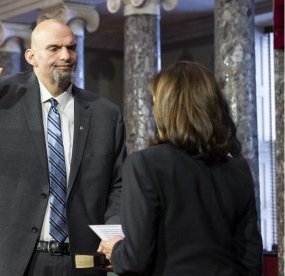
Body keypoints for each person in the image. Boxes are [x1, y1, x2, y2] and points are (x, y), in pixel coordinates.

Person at [0, 19, 126, 276]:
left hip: (78, 263)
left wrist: (113, 238)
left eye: (71, 47)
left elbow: (119, 185)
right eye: (54, 48)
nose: (66, 56)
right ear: (31, 56)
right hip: (0, 258)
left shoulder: (105, 114)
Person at [98, 61, 263, 275]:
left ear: (166, 108)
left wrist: (116, 249)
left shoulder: (145, 164)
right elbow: (250, 260)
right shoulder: (239, 169)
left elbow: (135, 260)